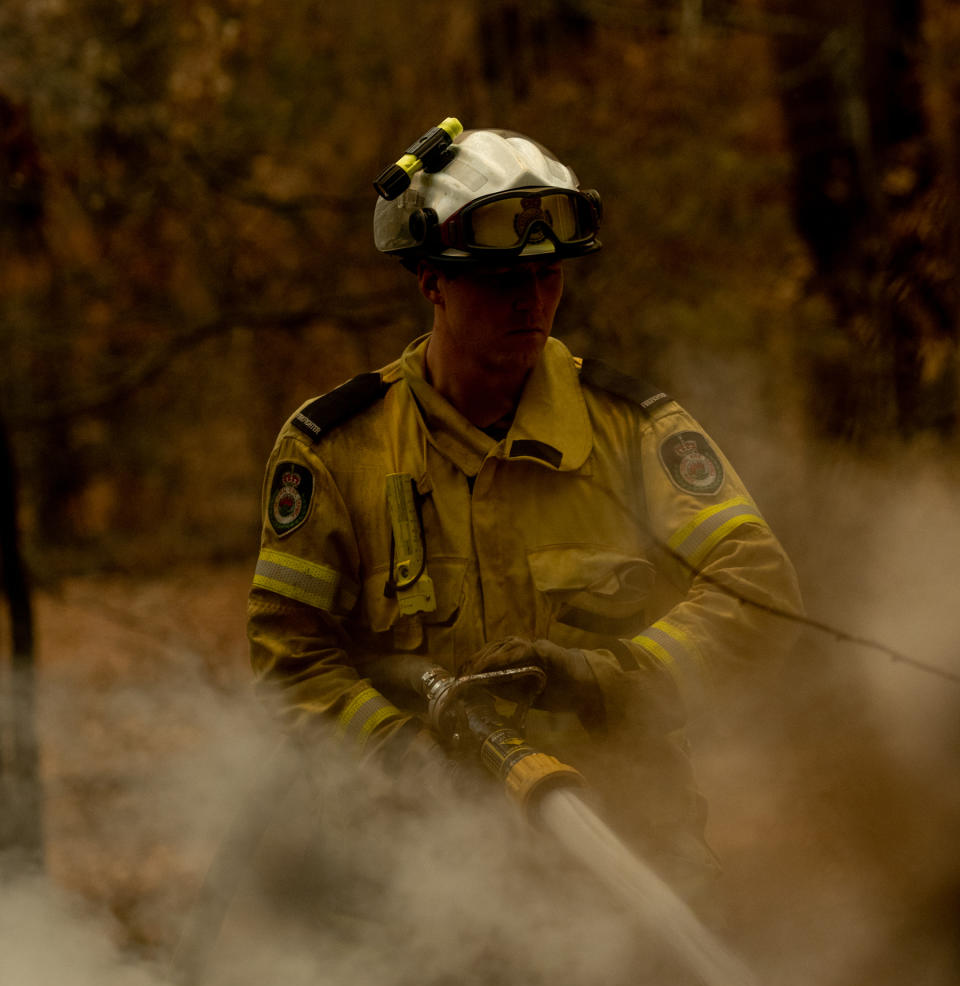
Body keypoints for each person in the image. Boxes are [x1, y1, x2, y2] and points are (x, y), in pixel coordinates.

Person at [247, 124, 802, 879]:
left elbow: (761, 589)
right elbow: (291, 658)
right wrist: (402, 755)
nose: (531, 300)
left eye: (549, 276)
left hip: (633, 857)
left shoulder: (631, 431)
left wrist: (613, 674)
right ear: (432, 281)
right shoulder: (336, 450)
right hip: (426, 879)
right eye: (498, 278)